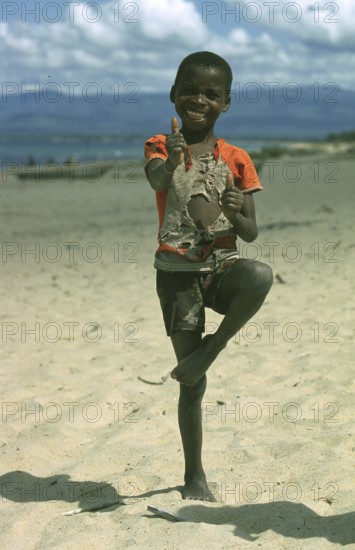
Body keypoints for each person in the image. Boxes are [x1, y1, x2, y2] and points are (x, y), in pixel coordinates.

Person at [144, 51, 273, 501]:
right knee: (193, 387)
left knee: (259, 276)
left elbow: (251, 234)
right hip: (178, 272)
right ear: (173, 95)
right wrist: (171, 159)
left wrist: (237, 213)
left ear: (226, 103)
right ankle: (194, 474)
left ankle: (210, 351)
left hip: (222, 266)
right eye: (190, 90)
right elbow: (158, 182)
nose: (199, 99)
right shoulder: (161, 145)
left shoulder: (237, 158)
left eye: (211, 94)